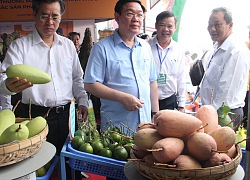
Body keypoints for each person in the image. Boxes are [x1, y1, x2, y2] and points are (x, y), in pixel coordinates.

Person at [0, 0, 88, 179]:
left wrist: (83, 101)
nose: (50, 22)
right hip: (35, 118)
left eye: (55, 16)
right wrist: (7, 89)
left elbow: (77, 78)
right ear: (34, 15)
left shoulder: (68, 46)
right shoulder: (20, 47)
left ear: (60, 17)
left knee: (71, 167)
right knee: (38, 169)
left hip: (66, 116)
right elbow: (3, 78)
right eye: (44, 16)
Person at [83, 0, 159, 133]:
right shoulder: (102, 48)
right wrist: (122, 98)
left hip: (146, 127)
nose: (136, 19)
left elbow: (152, 81)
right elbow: (90, 84)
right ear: (117, 17)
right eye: (130, 14)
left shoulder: (145, 47)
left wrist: (156, 114)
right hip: (117, 128)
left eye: (139, 15)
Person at [200, 7, 250, 130]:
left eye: (217, 25)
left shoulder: (236, 50)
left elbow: (226, 88)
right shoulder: (216, 48)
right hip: (211, 112)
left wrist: (210, 116)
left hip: (224, 114)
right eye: (210, 25)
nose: (212, 29)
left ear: (230, 25)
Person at [147, 11, 186, 112]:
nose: (166, 29)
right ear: (156, 26)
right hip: (147, 99)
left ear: (175, 28)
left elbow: (181, 78)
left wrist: (181, 104)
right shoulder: (145, 46)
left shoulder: (178, 49)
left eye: (170, 26)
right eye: (162, 25)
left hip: (169, 100)